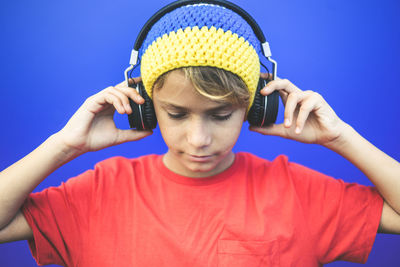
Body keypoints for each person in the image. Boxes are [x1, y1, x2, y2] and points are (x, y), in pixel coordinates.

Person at [0, 1, 399, 266]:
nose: (198, 139)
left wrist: (340, 137)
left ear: (255, 106)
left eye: (221, 115)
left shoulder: (296, 191)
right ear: (144, 106)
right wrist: (63, 146)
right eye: (176, 114)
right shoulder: (98, 194)